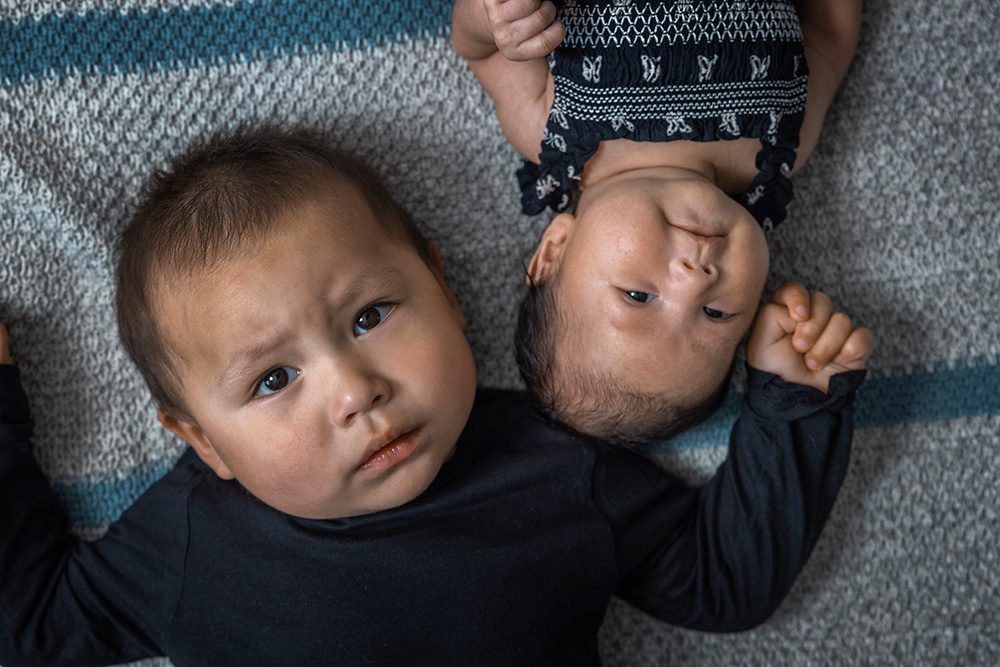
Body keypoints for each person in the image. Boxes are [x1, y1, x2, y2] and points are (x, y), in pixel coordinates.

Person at [0, 125, 872, 666]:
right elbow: (28, 624)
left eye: (370, 316)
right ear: (204, 441)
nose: (356, 391)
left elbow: (723, 582)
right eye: (272, 379)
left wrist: (793, 399)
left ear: (445, 292)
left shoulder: (557, 468)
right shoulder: (193, 536)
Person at [451, 0, 863, 443]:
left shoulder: (548, 127)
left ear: (554, 252)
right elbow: (830, 35)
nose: (695, 281)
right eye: (715, 313)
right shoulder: (780, 145)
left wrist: (496, 18)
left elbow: (480, 51)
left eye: (638, 296)